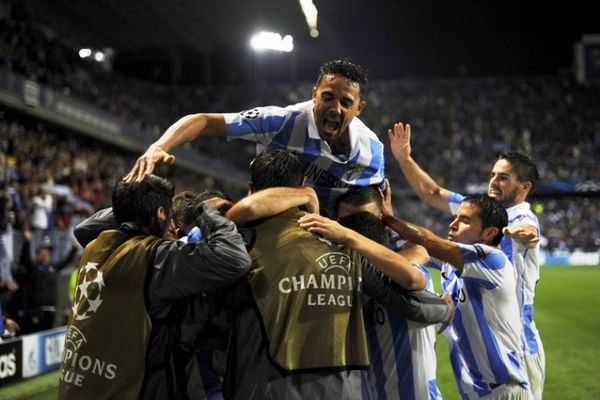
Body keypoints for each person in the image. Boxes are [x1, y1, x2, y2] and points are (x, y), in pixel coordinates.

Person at [222, 149, 452, 399]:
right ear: (300, 184)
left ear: (250, 188)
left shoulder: (234, 245)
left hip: (262, 387)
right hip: (339, 390)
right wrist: (443, 308)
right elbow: (409, 294)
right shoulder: (337, 244)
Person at [58, 175, 251, 400]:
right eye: (168, 213)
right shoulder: (155, 257)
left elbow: (84, 228)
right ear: (161, 213)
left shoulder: (97, 244)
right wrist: (206, 212)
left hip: (80, 387)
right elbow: (235, 260)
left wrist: (132, 205)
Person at [388, 122, 545, 399]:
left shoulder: (520, 217)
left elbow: (529, 229)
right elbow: (432, 193)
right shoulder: (479, 213)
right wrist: (404, 158)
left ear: (524, 187)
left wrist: (527, 233)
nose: (494, 182)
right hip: (479, 336)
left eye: (503, 177)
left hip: (517, 344)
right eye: (493, 175)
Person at [124, 58, 385, 215]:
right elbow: (203, 121)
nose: (335, 108)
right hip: (271, 218)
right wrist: (159, 146)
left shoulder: (372, 151)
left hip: (330, 229)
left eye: (346, 102)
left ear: (359, 108)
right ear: (314, 94)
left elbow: (378, 197)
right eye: (327, 97)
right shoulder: (281, 121)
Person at [382, 194, 530, 399]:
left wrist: (387, 217)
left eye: (465, 220)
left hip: (502, 391)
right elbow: (416, 246)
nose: (453, 224)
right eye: (456, 217)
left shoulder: (491, 258)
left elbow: (428, 241)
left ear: (489, 233)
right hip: (475, 392)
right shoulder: (452, 263)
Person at [335, 186, 443, 400]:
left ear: (380, 218)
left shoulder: (402, 268)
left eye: (365, 218)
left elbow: (416, 264)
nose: (355, 227)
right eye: (346, 221)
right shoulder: (336, 265)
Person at [19, 231, 79, 333]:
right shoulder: (33, 267)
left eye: (49, 251)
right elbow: (25, 259)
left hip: (51, 310)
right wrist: (27, 242)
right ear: (38, 253)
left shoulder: (52, 267)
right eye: (45, 250)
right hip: (36, 311)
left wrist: (74, 248)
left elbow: (66, 262)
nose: (47, 253)